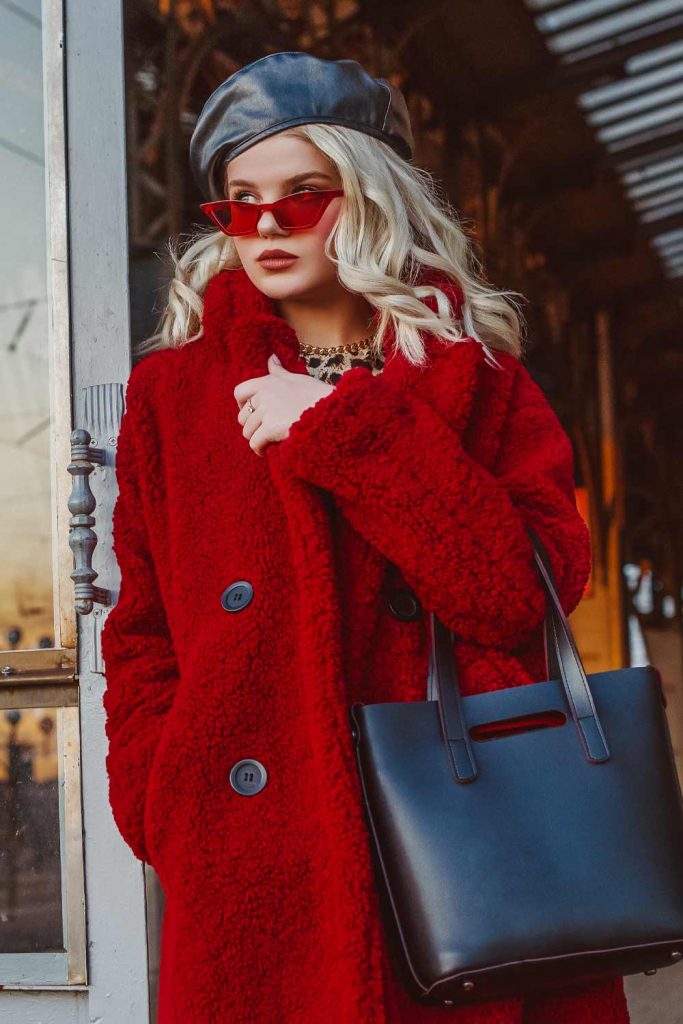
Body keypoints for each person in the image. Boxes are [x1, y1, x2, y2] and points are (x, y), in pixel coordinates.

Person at [100, 51, 630, 1024]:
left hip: (469, 857)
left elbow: (515, 593)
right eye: (237, 201)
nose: (263, 225)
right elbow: (141, 635)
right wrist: (165, 794)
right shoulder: (170, 401)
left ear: (370, 194)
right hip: (251, 869)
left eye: (301, 196)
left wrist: (343, 431)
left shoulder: (481, 383)